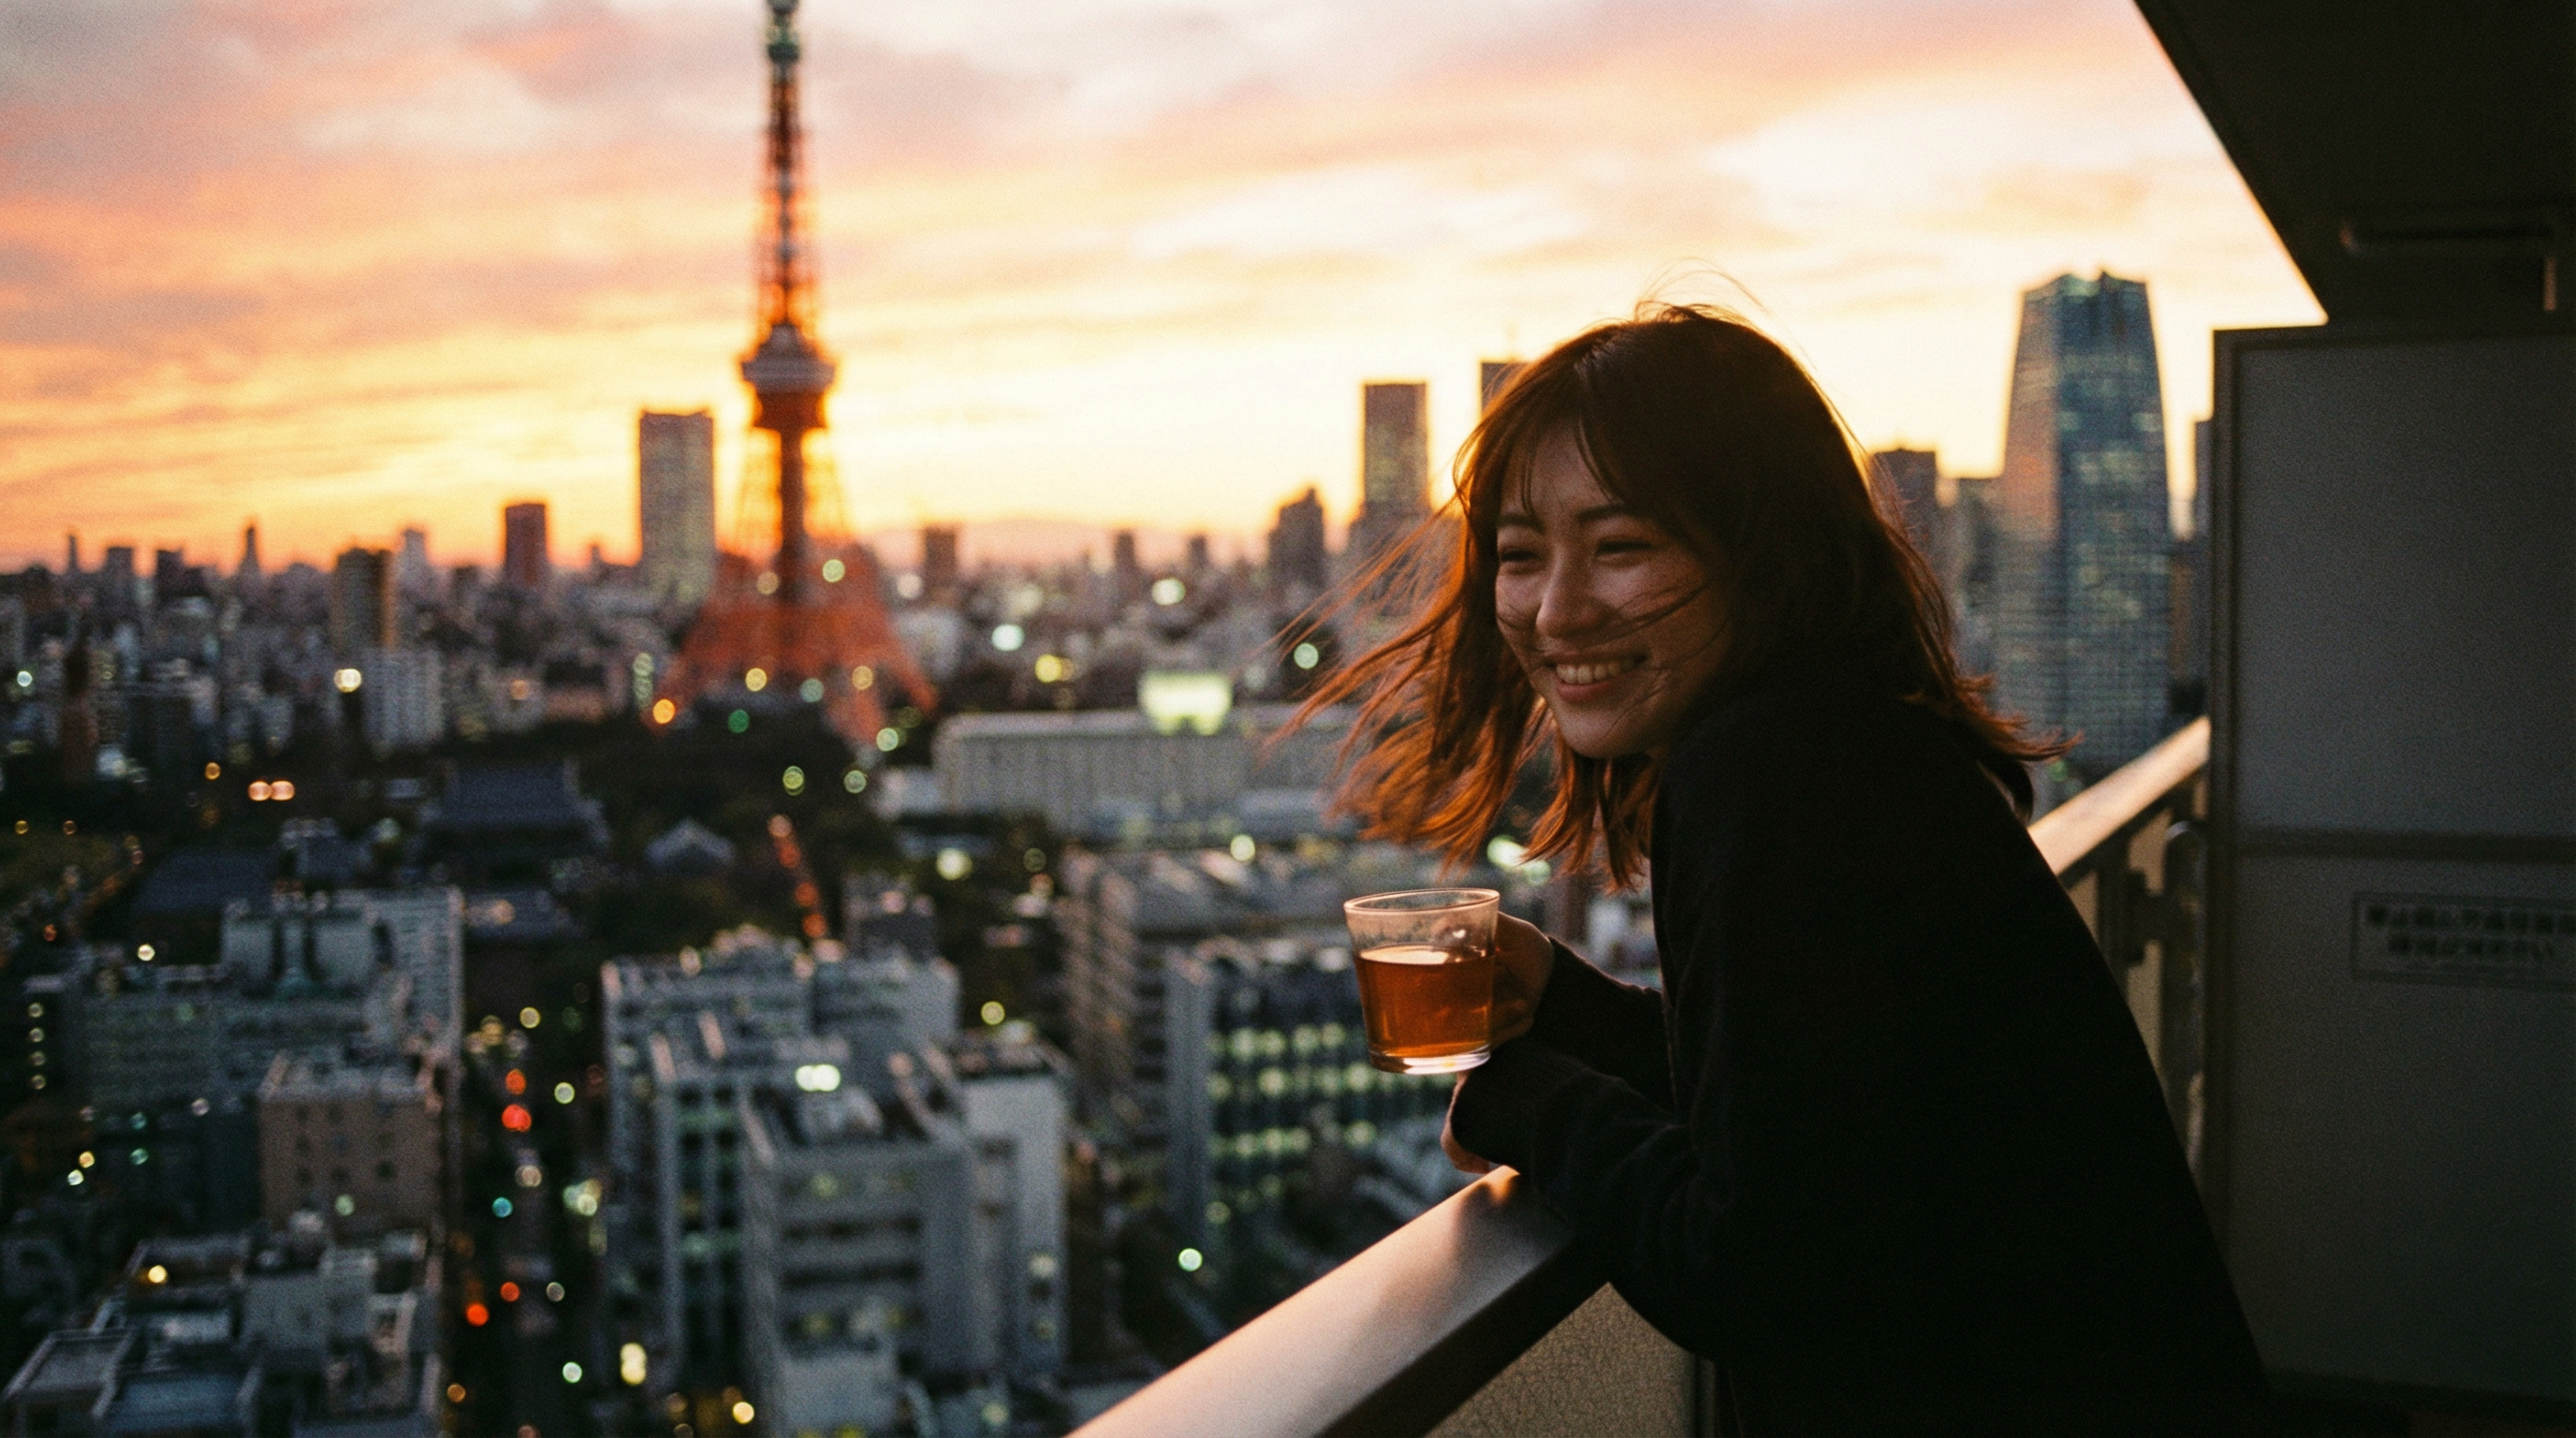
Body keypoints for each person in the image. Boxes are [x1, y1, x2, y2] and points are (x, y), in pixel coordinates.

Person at [1304, 305, 2269, 1433]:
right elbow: (1823, 1126)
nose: (1555, 610)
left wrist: (1524, 1098)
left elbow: (1758, 1268)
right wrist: (1571, 1006)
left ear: (1762, 559)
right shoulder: (1851, 743)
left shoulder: (1764, 776)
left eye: (1620, 546)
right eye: (1520, 557)